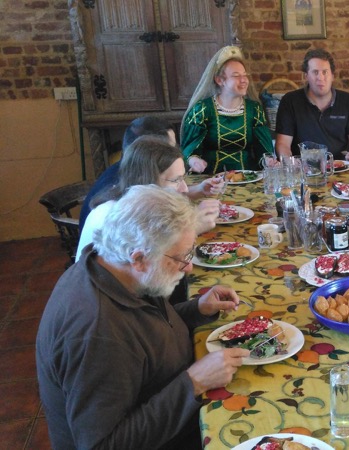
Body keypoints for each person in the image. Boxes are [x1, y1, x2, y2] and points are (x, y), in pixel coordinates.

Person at [37, 185, 250, 449]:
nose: (189, 266)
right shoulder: (98, 333)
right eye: (182, 257)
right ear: (138, 258)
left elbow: (146, 329)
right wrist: (194, 382)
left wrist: (196, 309)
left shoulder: (112, 266)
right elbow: (102, 445)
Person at [77, 135, 220, 262]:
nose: (185, 189)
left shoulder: (137, 205)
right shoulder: (117, 216)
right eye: (176, 180)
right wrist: (193, 228)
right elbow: (151, 267)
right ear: (146, 180)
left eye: (184, 178)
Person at [79, 116, 223, 233]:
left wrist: (196, 191)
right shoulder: (119, 213)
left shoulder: (131, 185)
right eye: (168, 148)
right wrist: (193, 227)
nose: (172, 153)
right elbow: (150, 257)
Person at [182, 45, 275, 174]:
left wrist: (268, 161)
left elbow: (263, 150)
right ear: (220, 80)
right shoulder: (202, 110)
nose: (243, 80)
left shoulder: (254, 110)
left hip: (248, 177)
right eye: (236, 76)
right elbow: (189, 150)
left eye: (245, 75)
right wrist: (194, 161)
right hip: (210, 179)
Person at [274, 49, 349, 162]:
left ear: (332, 76)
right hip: (302, 169)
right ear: (306, 76)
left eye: (325, 72)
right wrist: (290, 162)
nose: (320, 77)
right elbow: (282, 143)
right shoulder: (290, 101)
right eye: (315, 72)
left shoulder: (348, 101)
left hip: (340, 167)